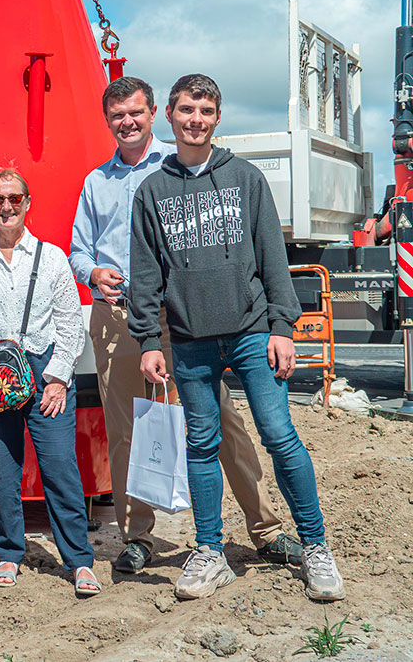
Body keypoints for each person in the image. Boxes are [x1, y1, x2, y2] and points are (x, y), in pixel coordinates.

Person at [129, 73, 345, 601]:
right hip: (190, 340)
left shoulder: (246, 179)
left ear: (217, 118)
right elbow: (145, 274)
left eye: (205, 110)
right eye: (186, 110)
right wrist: (149, 341)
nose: (195, 119)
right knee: (201, 444)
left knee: (279, 436)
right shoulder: (152, 190)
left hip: (252, 334)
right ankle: (209, 552)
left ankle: (316, 546)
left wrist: (281, 328)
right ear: (170, 117)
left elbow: (274, 258)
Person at [69, 76, 298, 574]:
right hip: (119, 316)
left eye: (135, 112)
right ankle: (137, 536)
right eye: (116, 116)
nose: (127, 122)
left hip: (184, 318)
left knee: (222, 424)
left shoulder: (180, 167)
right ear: (107, 121)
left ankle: (265, 528)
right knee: (126, 429)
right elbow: (78, 249)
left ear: (155, 113)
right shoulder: (95, 183)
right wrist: (91, 271)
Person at [0, 168, 100, 594]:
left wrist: (57, 379)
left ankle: (78, 560)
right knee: (3, 469)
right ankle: (10, 552)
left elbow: (70, 323)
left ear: (28, 202)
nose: (7, 207)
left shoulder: (51, 257)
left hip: (44, 370)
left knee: (60, 469)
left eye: (15, 198)